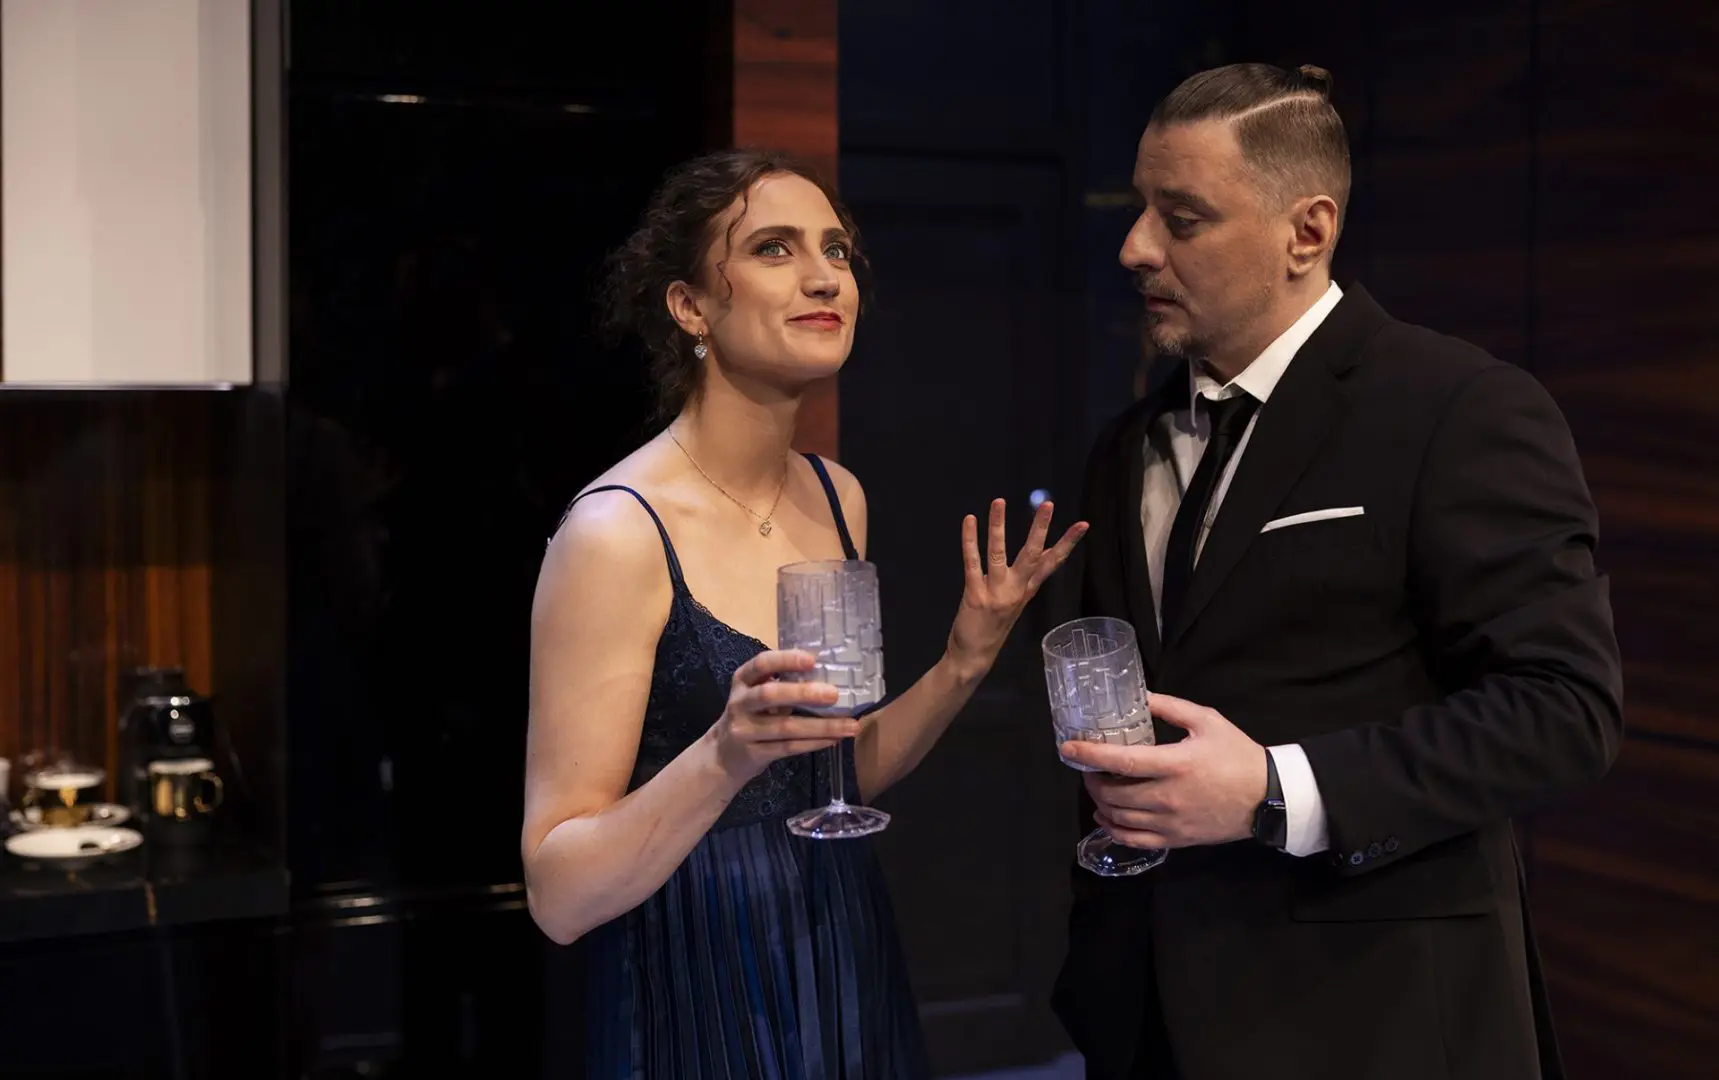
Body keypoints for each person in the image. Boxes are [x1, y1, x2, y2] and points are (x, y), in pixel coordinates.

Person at [1053, 63, 1623, 1080]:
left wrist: (1274, 791)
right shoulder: (1124, 443)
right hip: (1146, 1016)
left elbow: (1563, 710)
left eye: (1181, 218)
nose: (1136, 246)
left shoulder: (1457, 407)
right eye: (1140, 208)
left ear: (1306, 233)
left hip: (1373, 1016)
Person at [521, 148, 1086, 1080]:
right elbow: (557, 892)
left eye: (836, 250)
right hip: (692, 969)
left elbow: (837, 777)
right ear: (690, 306)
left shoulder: (836, 496)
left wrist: (963, 659)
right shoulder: (616, 533)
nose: (825, 277)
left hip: (837, 940)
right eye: (773, 249)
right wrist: (721, 754)